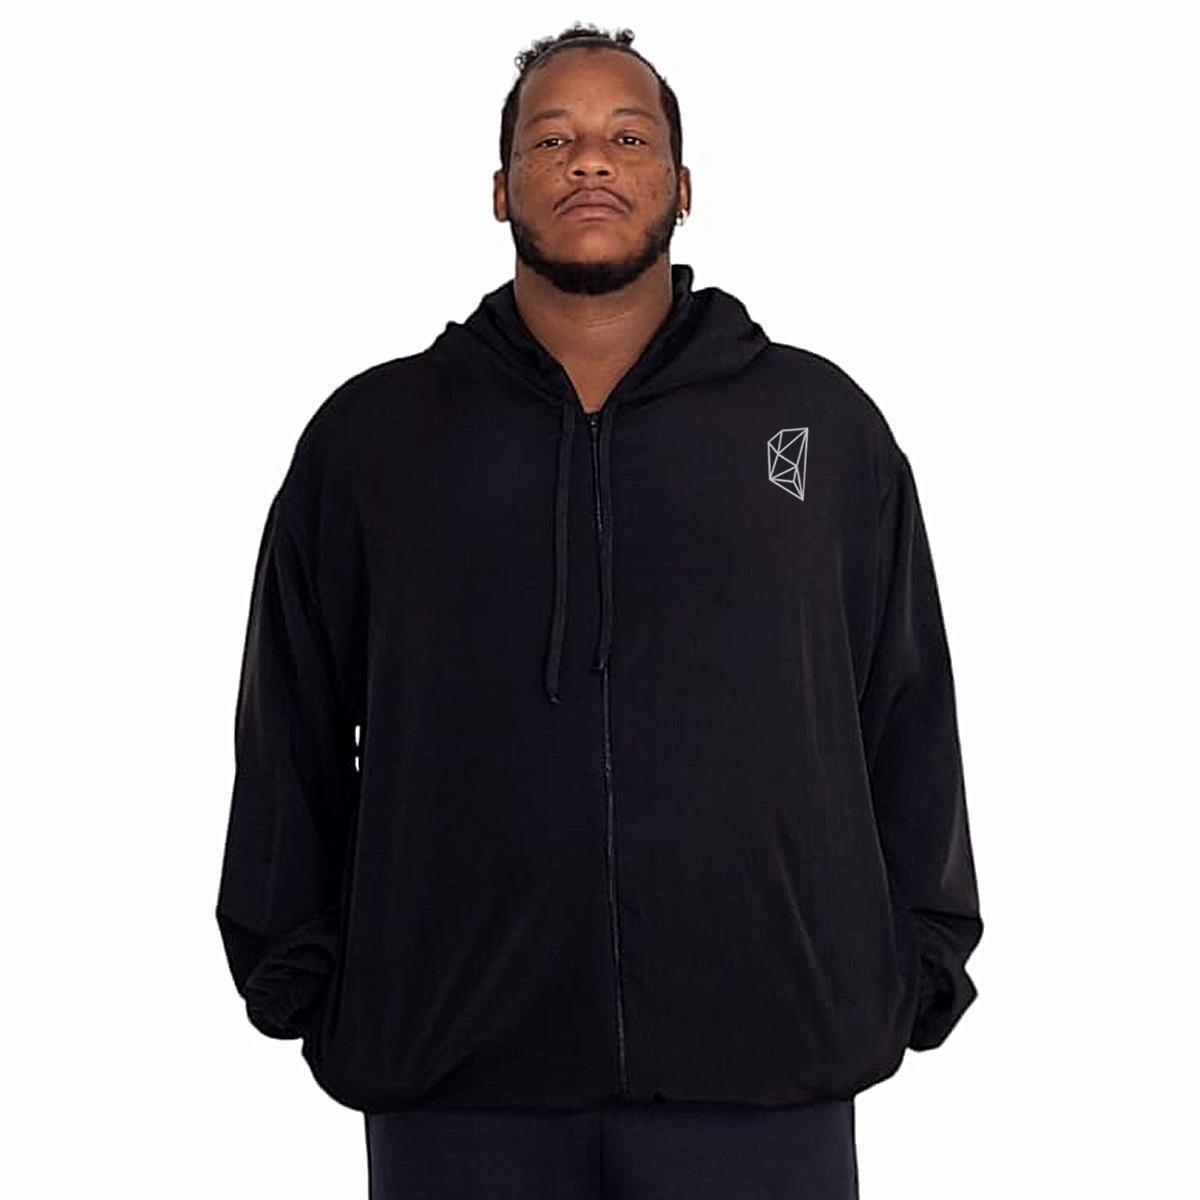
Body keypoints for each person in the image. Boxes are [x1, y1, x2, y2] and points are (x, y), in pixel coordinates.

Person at [215, 22, 983, 1200]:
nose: (588, 160)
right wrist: (301, 970)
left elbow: (904, 704)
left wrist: (916, 955)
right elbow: (292, 724)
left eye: (627, 137)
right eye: (551, 138)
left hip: (768, 1067)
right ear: (500, 187)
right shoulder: (376, 439)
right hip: (451, 1076)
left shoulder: (819, 425)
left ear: (682, 183)